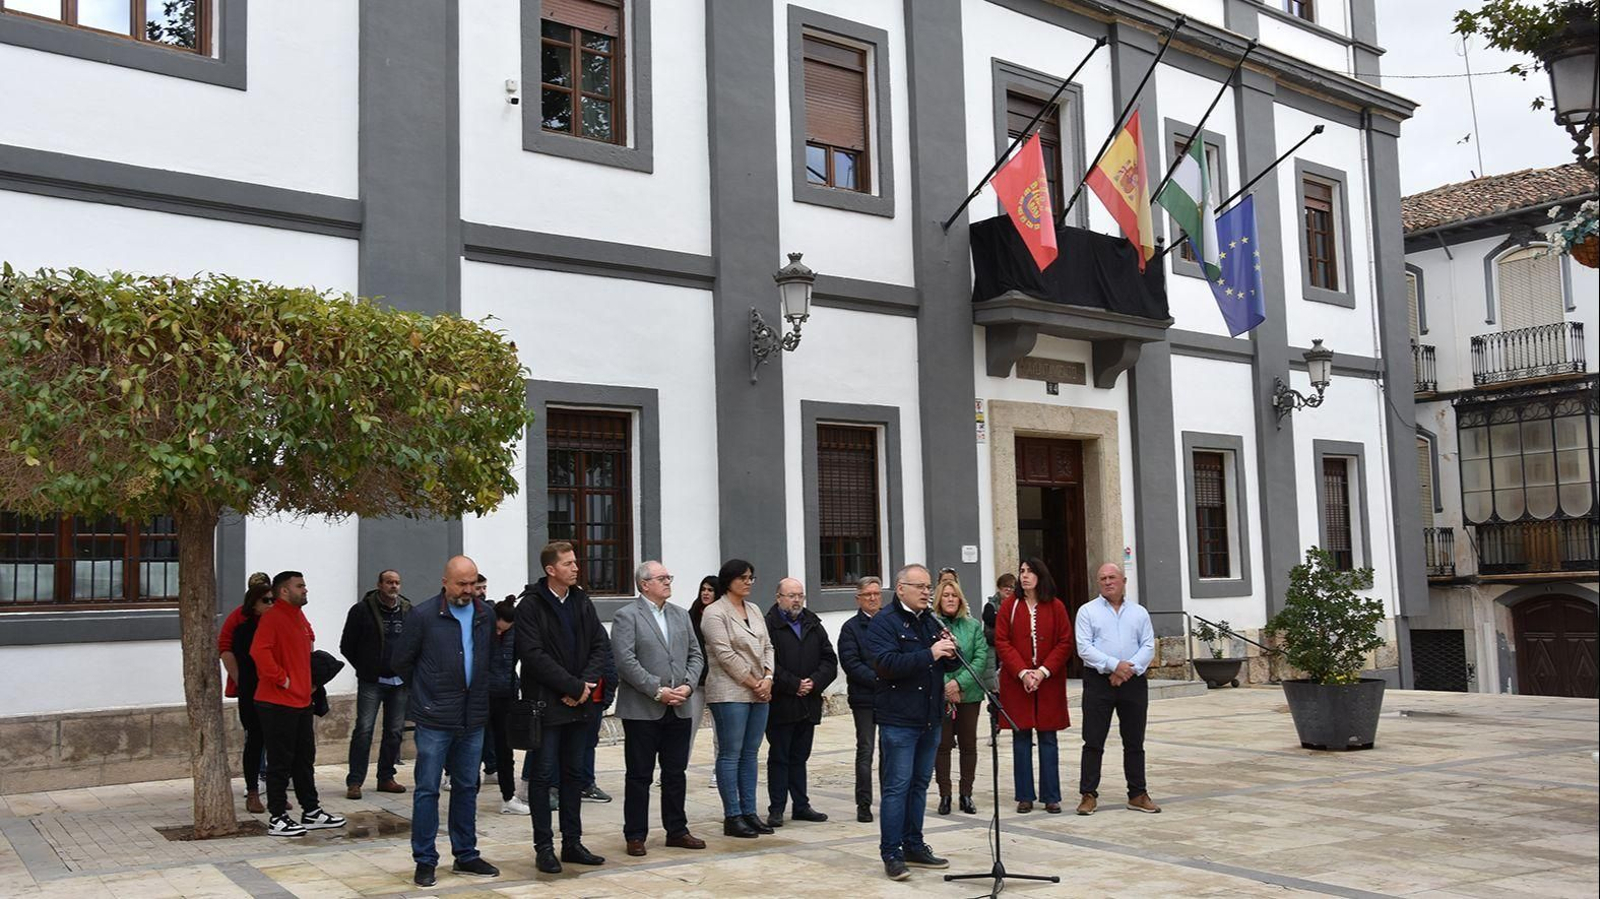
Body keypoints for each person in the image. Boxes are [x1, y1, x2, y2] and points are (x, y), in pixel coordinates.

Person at [393, 556, 500, 888]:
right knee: (427, 789)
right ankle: (425, 860)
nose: (468, 590)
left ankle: (466, 854)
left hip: (473, 716)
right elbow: (401, 661)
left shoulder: (485, 614)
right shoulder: (423, 615)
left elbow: (489, 657)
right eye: (461, 584)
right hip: (434, 717)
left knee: (467, 786)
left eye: (472, 583)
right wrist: (427, 692)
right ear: (445, 582)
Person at [516, 541, 610, 874]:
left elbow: (599, 645)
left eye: (575, 562)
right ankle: (544, 847)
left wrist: (584, 685)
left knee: (573, 775)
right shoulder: (530, 605)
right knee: (543, 777)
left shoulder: (581, 600)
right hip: (546, 705)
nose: (576, 568)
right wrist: (572, 687)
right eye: (568, 563)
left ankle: (572, 842)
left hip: (579, 704)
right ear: (550, 569)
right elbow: (533, 656)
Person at [865, 564, 958, 881]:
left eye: (929, 587)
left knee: (919, 785)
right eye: (920, 586)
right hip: (899, 719)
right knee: (897, 786)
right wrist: (931, 653)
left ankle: (914, 845)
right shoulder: (884, 622)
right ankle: (892, 853)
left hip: (930, 717)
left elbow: (947, 664)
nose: (926, 592)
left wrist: (950, 651)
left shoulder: (930, 620)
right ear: (901, 588)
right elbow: (886, 664)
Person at [612, 561, 707, 857]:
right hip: (643, 709)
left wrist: (688, 686)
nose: (668, 582)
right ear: (644, 584)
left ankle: (677, 830)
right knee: (639, 775)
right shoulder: (627, 615)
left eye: (669, 577)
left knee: (676, 773)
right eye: (661, 578)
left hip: (679, 705)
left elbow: (696, 654)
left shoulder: (680, 614)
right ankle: (635, 834)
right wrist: (657, 690)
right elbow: (625, 661)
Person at [250, 571, 346, 837]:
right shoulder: (272, 618)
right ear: (284, 591)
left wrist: (307, 683)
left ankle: (311, 811)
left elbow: (308, 643)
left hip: (301, 701)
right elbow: (259, 652)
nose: (305, 589)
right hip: (276, 702)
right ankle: (277, 817)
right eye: (300, 586)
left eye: (304, 585)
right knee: (280, 762)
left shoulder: (298, 616)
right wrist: (283, 680)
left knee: (304, 759)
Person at [1074, 563, 1160, 816]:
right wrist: (1114, 665)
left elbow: (1148, 646)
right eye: (1102, 578)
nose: (1107, 582)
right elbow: (1084, 648)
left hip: (1132, 681)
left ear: (1123, 581)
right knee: (1093, 740)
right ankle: (1088, 794)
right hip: (1098, 681)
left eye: (1112, 577)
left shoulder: (1139, 612)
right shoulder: (1087, 611)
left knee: (1134, 741)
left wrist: (1126, 670)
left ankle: (1137, 793)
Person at [700, 559, 775, 839]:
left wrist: (768, 678)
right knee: (730, 752)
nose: (748, 582)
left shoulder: (754, 609)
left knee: (750, 753)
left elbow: (768, 646)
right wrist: (754, 682)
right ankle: (732, 815)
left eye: (751, 577)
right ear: (728, 580)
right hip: (730, 690)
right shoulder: (714, 612)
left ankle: (749, 811)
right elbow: (725, 654)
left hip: (760, 689)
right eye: (742, 578)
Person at [995, 558, 1074, 814]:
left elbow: (1064, 642)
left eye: (1030, 571)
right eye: (1022, 571)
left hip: (1048, 682)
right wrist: (1022, 672)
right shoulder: (1009, 606)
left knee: (1048, 737)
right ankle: (1024, 796)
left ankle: (1051, 796)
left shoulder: (1056, 606)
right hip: (1017, 682)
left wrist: (1042, 671)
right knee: (1021, 737)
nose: (1025, 576)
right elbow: (1002, 641)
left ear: (1041, 575)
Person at [763, 577, 837, 828]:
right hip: (782, 703)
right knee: (780, 756)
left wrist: (814, 682)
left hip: (809, 703)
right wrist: (794, 684)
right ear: (778, 598)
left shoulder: (812, 623)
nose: (797, 600)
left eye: (800, 595)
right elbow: (767, 663)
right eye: (791, 595)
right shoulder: (769, 625)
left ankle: (801, 805)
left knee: (800, 756)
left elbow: (829, 659)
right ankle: (776, 808)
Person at [340, 569, 412, 800]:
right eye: (389, 582)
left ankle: (386, 777)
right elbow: (347, 645)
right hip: (372, 681)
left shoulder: (408, 610)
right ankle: (355, 781)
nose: (394, 586)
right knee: (364, 730)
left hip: (399, 682)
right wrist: (365, 667)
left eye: (397, 582)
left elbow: (415, 642)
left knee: (394, 731)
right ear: (379, 585)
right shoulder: (362, 610)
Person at [934, 578, 987, 817]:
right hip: (941, 694)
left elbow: (980, 658)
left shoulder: (973, 625)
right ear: (939, 599)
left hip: (969, 694)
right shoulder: (932, 625)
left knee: (968, 745)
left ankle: (966, 794)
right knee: (943, 745)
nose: (950, 599)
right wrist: (947, 686)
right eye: (946, 595)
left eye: (954, 595)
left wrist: (959, 683)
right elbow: (932, 658)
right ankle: (945, 794)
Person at [835, 576, 881, 823]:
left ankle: (892, 798)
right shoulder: (850, 628)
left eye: (876, 594)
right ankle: (863, 803)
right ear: (858, 598)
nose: (873, 598)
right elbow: (851, 663)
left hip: (890, 697)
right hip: (864, 698)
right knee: (865, 749)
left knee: (891, 750)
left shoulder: (889, 622)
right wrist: (879, 680)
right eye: (868, 594)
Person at [230, 583, 274, 814]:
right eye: (266, 600)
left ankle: (276, 792)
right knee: (255, 741)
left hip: (275, 692)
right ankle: (253, 792)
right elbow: (244, 662)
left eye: (273, 600)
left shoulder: (278, 628)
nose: (271, 604)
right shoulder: (243, 630)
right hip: (253, 693)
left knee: (278, 743)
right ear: (254, 604)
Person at [487, 598, 528, 815]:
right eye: (498, 628)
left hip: (506, 696)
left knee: (505, 749)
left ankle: (508, 797)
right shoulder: (483, 630)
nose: (500, 632)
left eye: (505, 629)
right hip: (482, 696)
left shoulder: (516, 634)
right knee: (473, 747)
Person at [685, 575, 719, 783]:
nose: (705, 593)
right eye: (703, 589)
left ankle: (719, 772)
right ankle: (678, 768)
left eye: (710, 590)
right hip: (696, 681)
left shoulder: (722, 614)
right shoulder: (692, 614)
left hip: (717, 680)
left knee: (720, 732)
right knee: (688, 727)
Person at [219, 571, 271, 702]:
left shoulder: (282, 616)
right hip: (250, 682)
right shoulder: (237, 618)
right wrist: (241, 682)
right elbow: (225, 649)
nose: (269, 603)